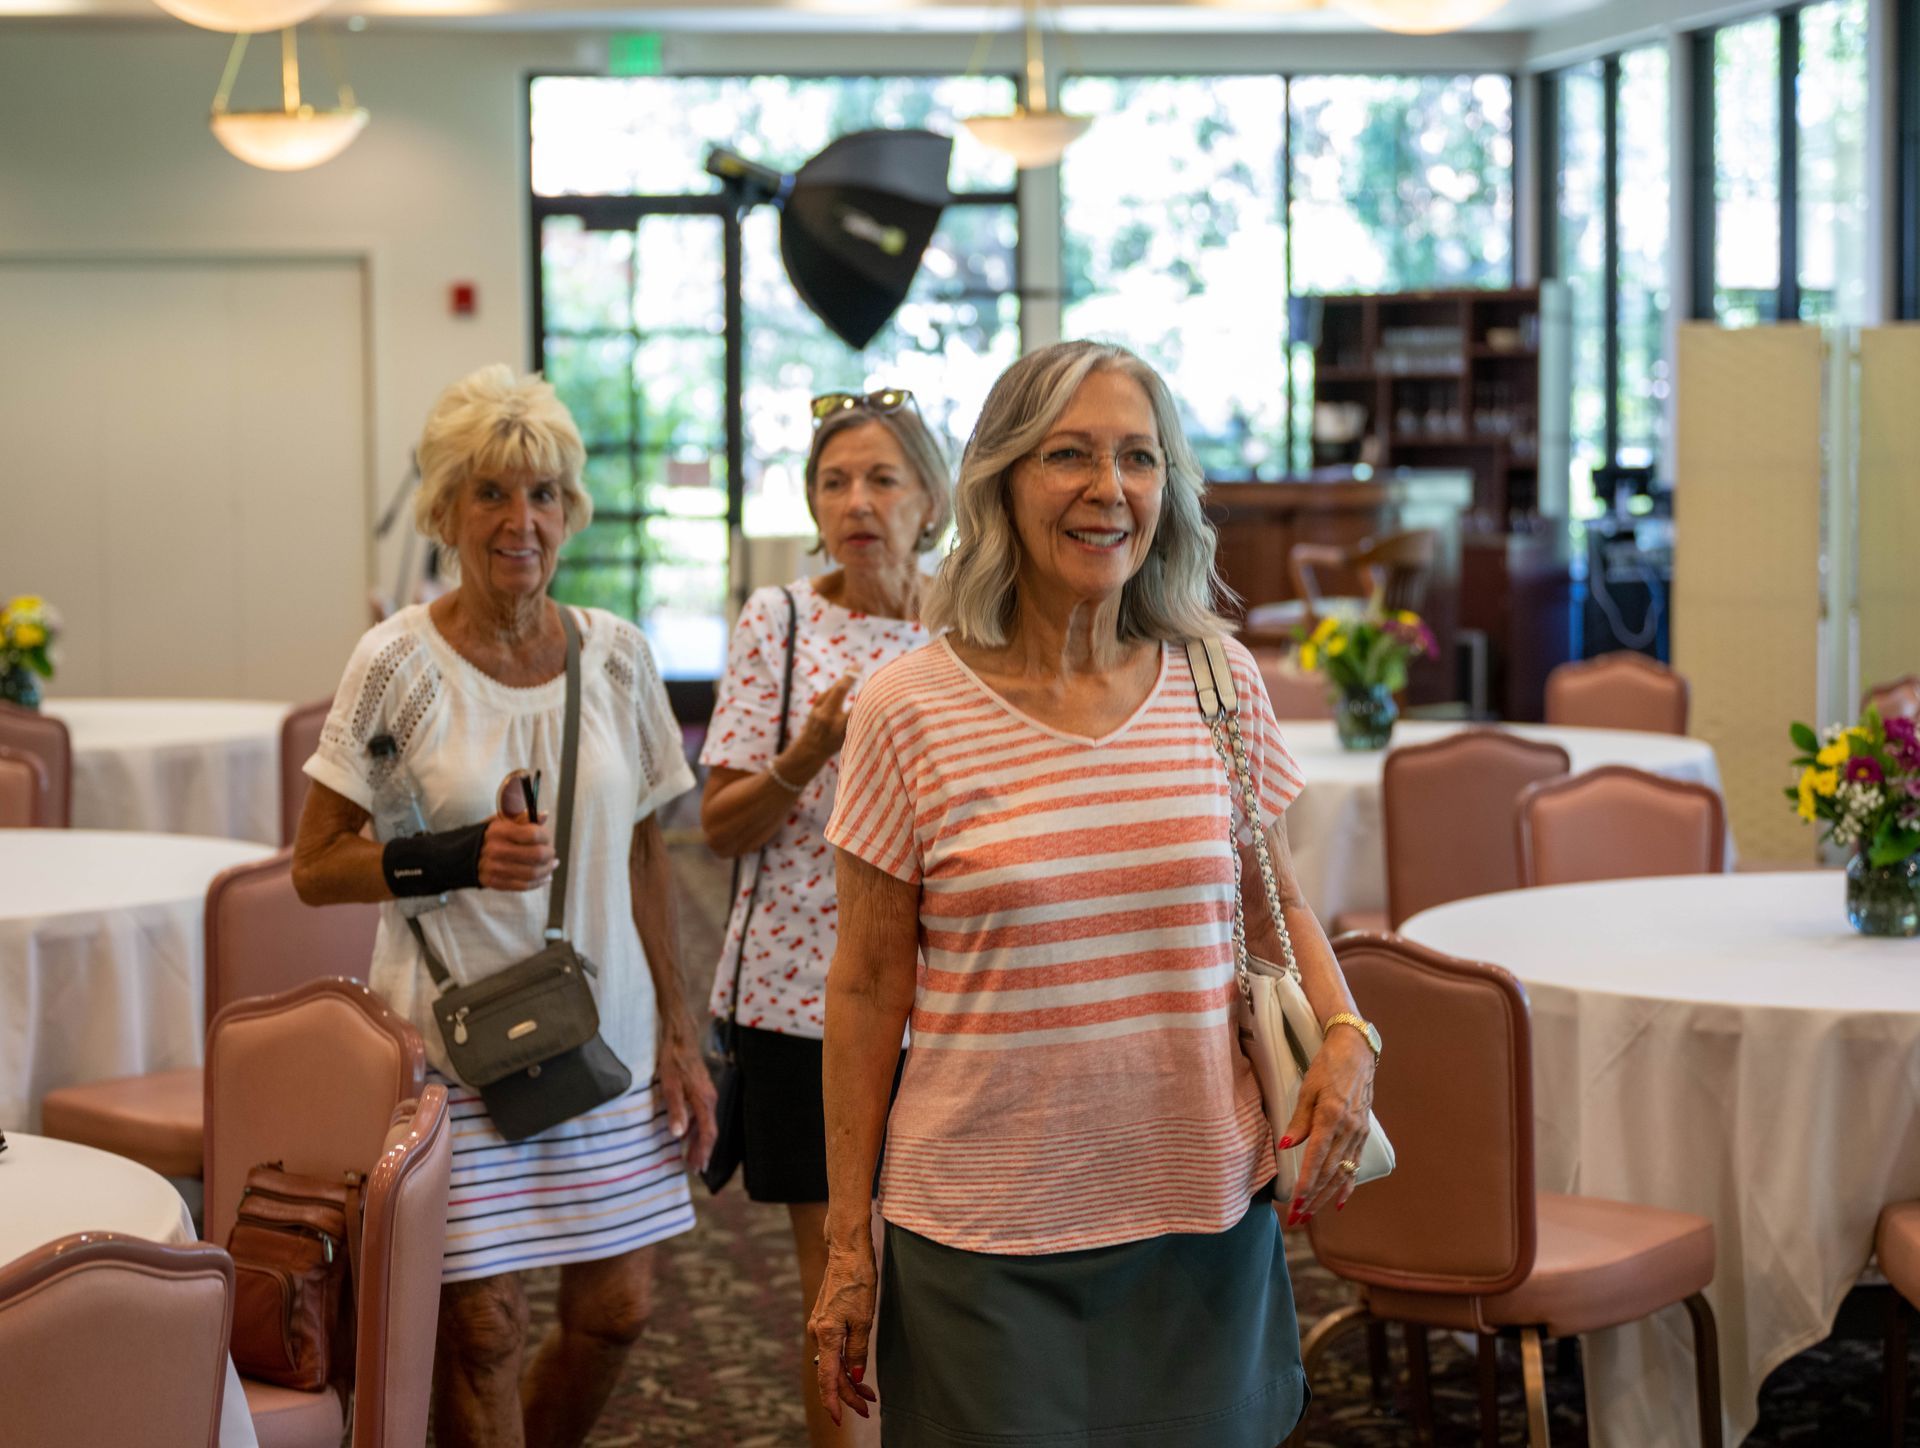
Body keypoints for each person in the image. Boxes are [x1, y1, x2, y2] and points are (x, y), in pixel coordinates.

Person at [809, 341, 1383, 1447]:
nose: (1106, 488)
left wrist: (1351, 1032)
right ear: (1002, 482)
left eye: (1138, 456)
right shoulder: (906, 707)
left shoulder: (1218, 678)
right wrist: (847, 1242)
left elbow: (1279, 909)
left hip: (1203, 1219)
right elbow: (868, 984)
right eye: (1067, 454)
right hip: (981, 1236)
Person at [292, 363, 716, 1448]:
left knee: (618, 1313)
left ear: (569, 510)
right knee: (482, 1328)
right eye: (489, 492)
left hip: (606, 1032)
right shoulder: (397, 665)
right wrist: (455, 856)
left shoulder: (617, 655)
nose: (519, 520)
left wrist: (680, 1030)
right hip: (454, 1045)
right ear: (446, 510)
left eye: (542, 495)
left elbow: (647, 853)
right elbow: (317, 864)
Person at [700, 387, 951, 1447]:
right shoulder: (781, 620)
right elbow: (720, 826)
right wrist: (810, 748)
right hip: (803, 999)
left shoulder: (971, 625)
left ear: (930, 499)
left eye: (882, 478)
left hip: (953, 996)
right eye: (834, 480)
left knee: (950, 1273)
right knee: (842, 1277)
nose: (857, 500)